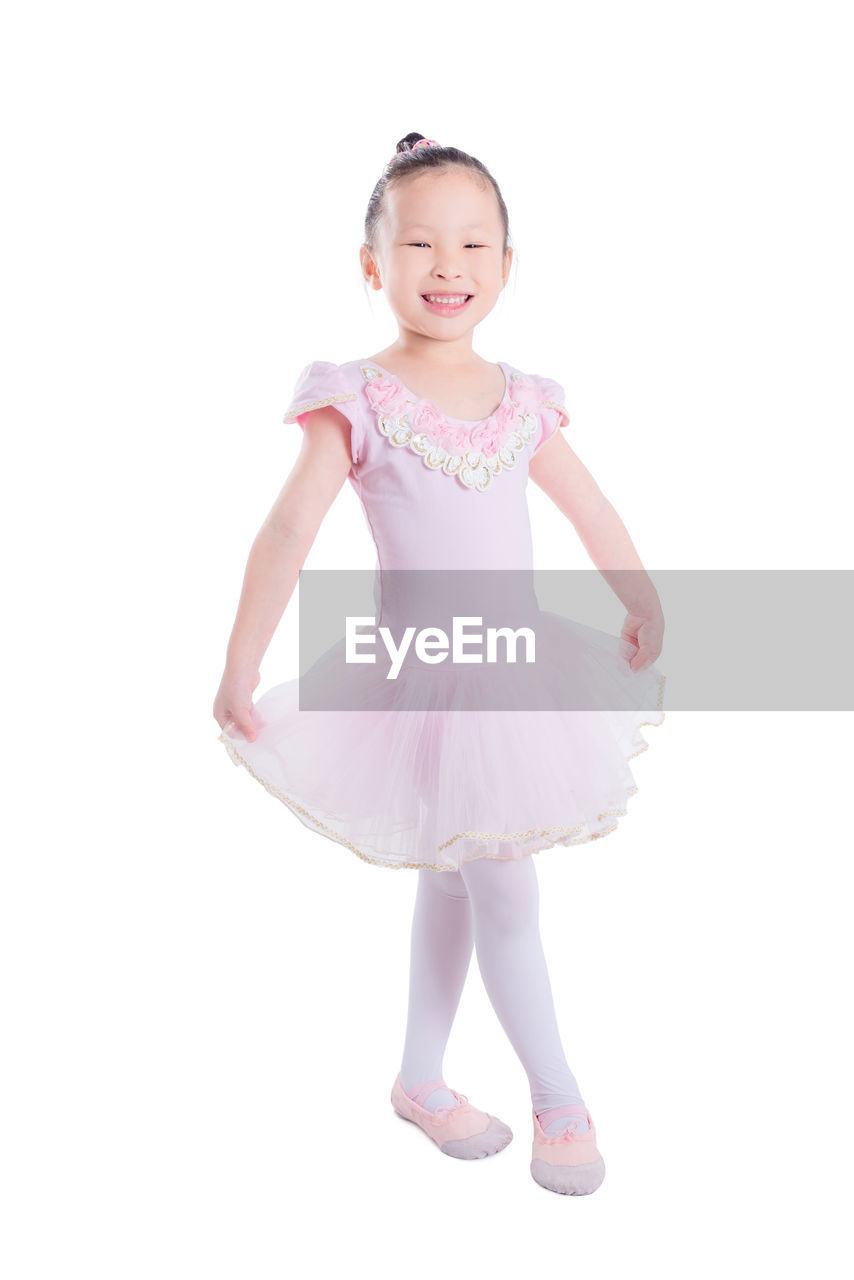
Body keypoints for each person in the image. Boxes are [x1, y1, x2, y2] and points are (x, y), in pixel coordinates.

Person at [213, 133, 665, 1196]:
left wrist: (638, 593)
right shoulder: (356, 398)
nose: (446, 264)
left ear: (507, 264)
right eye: (417, 242)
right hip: (420, 679)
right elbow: (285, 534)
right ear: (372, 264)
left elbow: (587, 504)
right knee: (503, 887)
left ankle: (420, 1078)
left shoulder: (522, 398)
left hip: (512, 671)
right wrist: (239, 666)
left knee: (466, 876)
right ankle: (559, 1093)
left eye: (471, 243)